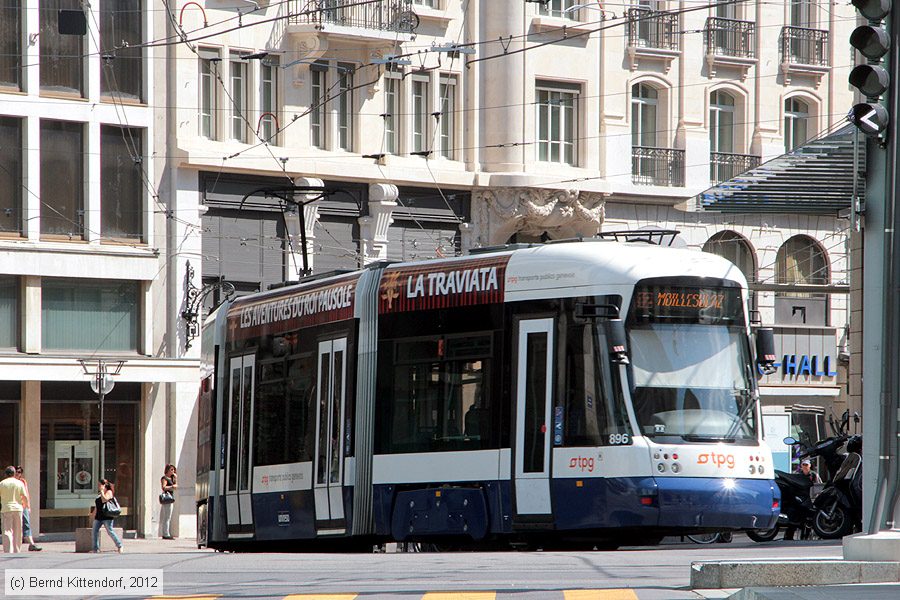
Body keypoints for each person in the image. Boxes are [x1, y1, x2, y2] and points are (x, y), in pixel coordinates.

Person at [90, 479, 123, 553]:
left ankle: (119, 545)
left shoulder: (109, 492)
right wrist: (93, 514)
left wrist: (102, 491)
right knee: (94, 531)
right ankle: (95, 548)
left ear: (104, 485)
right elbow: (97, 505)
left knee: (110, 531)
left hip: (107, 516)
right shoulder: (99, 494)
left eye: (100, 485)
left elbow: (104, 500)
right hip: (99, 516)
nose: (98, 486)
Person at [0, 465, 27, 553]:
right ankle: (17, 550)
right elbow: (24, 496)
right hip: (18, 508)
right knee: (18, 531)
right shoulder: (19, 483)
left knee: (7, 530)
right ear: (14, 473)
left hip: (6, 508)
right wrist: (25, 506)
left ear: (5, 474)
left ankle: (8, 550)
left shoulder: (2, 483)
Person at [14, 467, 41, 551]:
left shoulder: (23, 481)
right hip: (14, 506)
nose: (18, 473)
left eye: (20, 472)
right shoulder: (10, 482)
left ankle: (31, 543)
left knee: (26, 524)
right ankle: (13, 545)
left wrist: (28, 506)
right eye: (16, 472)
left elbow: (26, 494)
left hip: (23, 505)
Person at [160, 464, 177, 540]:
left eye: (173, 470)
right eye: (171, 469)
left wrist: (175, 478)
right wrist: (171, 487)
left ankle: (167, 532)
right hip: (167, 498)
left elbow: (175, 485)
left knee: (169, 516)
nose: (172, 471)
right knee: (167, 516)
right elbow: (164, 487)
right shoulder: (165, 478)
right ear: (167, 470)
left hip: (171, 498)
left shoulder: (172, 478)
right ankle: (166, 534)